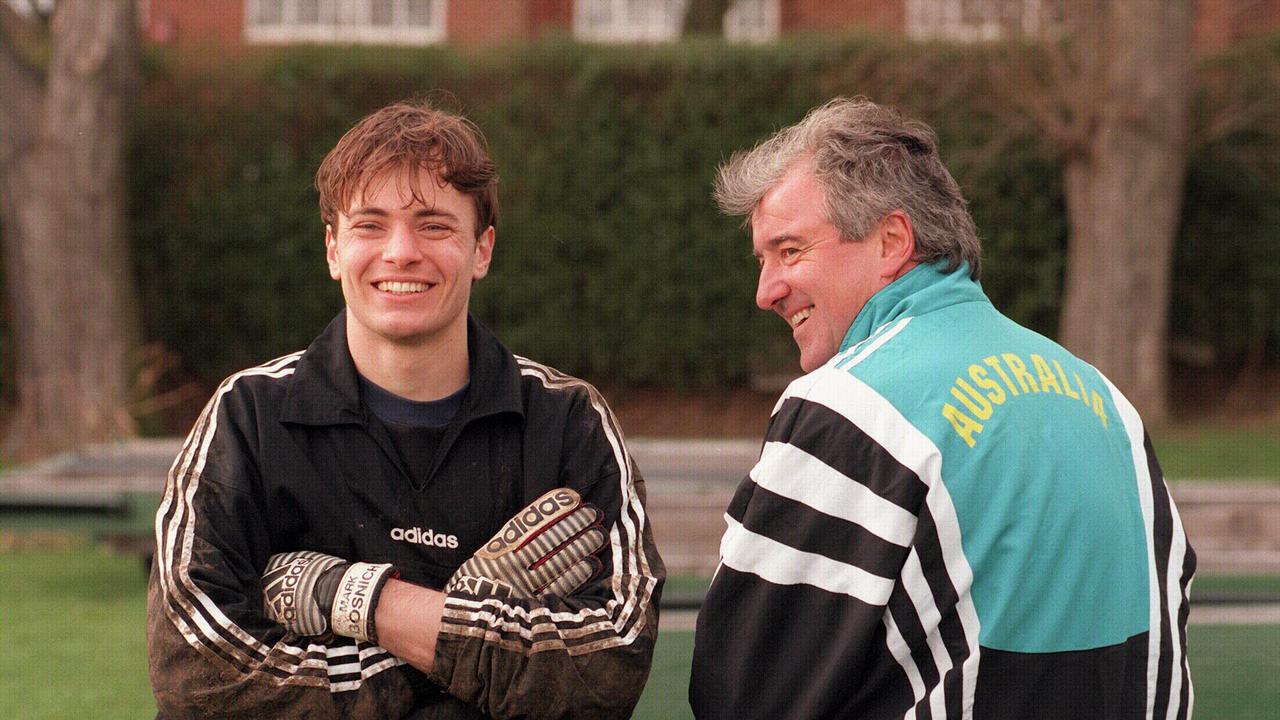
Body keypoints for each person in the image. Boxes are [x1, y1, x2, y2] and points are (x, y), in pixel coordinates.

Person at [147, 100, 664, 719]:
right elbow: (197, 676)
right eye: (370, 225)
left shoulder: (569, 423)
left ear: (482, 250)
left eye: (434, 225)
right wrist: (465, 635)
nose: (401, 251)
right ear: (334, 249)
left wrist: (359, 600)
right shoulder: (248, 417)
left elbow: (609, 663)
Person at [689, 97, 1194, 720]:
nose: (766, 291)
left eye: (790, 251)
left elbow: (740, 690)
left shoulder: (845, 409)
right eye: (762, 260)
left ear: (892, 241)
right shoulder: (1108, 402)